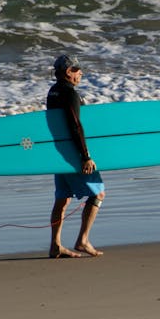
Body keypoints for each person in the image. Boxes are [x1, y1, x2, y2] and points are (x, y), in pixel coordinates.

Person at [46, 54, 105, 258]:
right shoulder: (69, 93)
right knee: (98, 193)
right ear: (68, 72)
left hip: (58, 153)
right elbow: (75, 124)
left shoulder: (53, 92)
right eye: (77, 69)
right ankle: (83, 240)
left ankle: (55, 245)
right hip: (73, 154)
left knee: (62, 199)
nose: (81, 73)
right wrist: (85, 155)